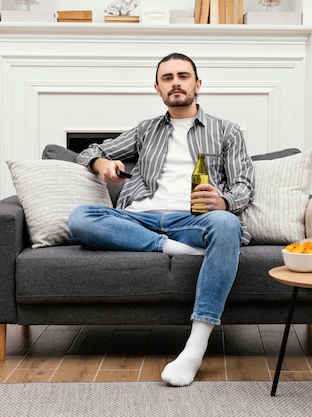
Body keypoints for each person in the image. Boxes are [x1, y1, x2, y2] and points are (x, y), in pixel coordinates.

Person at [68, 52, 254, 386]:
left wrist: (223, 201)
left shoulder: (227, 131)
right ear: (157, 88)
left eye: (183, 76)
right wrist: (101, 164)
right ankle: (169, 247)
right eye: (167, 78)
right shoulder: (145, 130)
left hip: (193, 220)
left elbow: (245, 186)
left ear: (197, 84)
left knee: (227, 224)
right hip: (139, 219)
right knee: (81, 217)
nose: (176, 83)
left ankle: (195, 347)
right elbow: (89, 150)